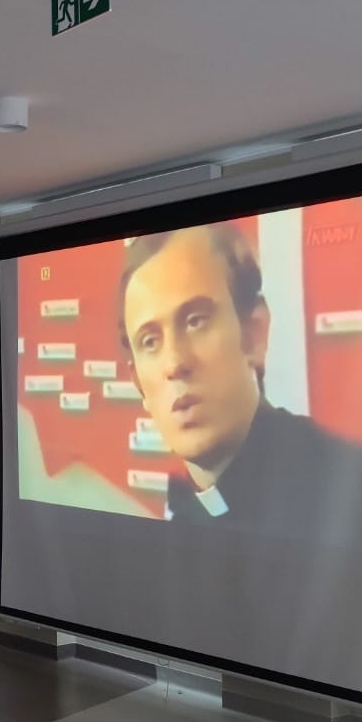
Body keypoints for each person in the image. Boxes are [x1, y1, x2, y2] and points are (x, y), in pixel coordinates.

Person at [117, 223, 362, 539]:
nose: (174, 364)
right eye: (150, 341)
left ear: (253, 334)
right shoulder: (182, 515)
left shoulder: (347, 492)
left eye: (195, 321)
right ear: (139, 384)